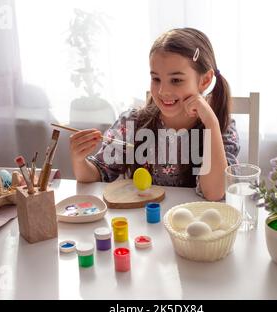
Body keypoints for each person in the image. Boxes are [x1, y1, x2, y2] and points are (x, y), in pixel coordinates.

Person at [70, 27, 239, 200]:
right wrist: (79, 160)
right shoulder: (132, 123)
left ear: (205, 80)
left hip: (196, 224)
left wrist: (211, 123)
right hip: (144, 223)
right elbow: (97, 175)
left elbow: (214, 193)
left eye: (176, 80)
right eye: (156, 79)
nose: (163, 91)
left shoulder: (221, 127)